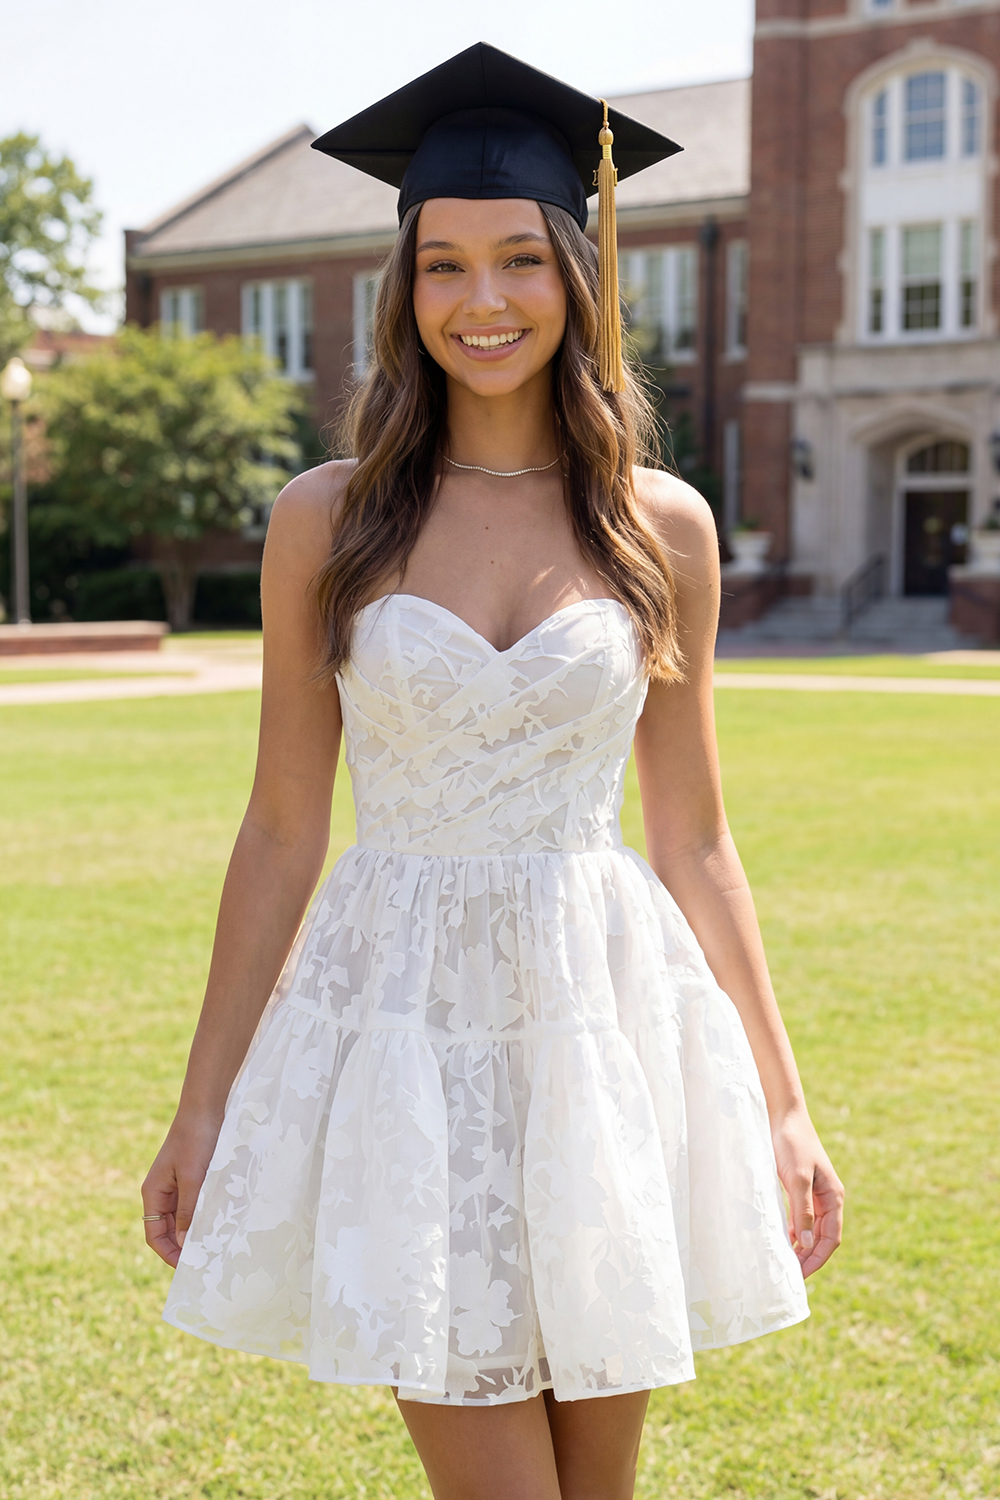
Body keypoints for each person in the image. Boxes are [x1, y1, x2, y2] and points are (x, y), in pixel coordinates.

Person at [142, 43, 843, 1500]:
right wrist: (202, 1103)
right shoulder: (324, 522)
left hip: (608, 1033)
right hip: (401, 1029)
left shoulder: (667, 527)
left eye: (520, 259)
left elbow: (697, 835)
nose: (483, 302)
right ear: (403, 288)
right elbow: (282, 828)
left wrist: (782, 1101)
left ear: (577, 277)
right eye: (443, 266)